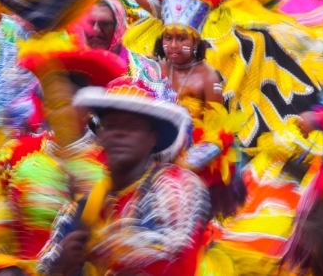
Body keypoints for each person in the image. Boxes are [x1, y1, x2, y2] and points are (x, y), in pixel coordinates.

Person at [38, 77, 208, 276]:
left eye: (131, 126)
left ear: (152, 138)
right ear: (100, 135)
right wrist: (61, 268)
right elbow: (46, 266)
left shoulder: (177, 187)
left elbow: (170, 261)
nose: (119, 134)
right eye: (111, 126)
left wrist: (99, 251)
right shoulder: (79, 210)